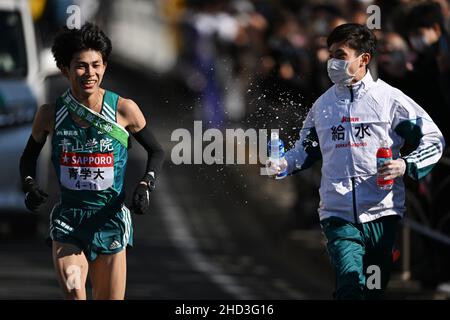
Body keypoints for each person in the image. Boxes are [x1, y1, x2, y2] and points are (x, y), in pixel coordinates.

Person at [267, 23, 445, 299]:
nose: (332, 62)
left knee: (373, 290)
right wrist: (282, 164)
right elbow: (304, 150)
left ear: (363, 59)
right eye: (330, 55)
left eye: (340, 55)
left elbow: (434, 139)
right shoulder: (323, 106)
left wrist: (405, 165)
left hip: (382, 213)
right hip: (337, 214)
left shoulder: (390, 100)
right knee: (349, 284)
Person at [19, 23, 164, 300]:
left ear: (105, 66)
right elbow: (28, 159)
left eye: (96, 65)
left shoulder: (124, 109)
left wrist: (146, 184)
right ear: (65, 69)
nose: (90, 73)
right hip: (68, 222)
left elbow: (156, 151)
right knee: (75, 292)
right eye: (81, 66)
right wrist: (29, 184)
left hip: (110, 220)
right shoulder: (50, 115)